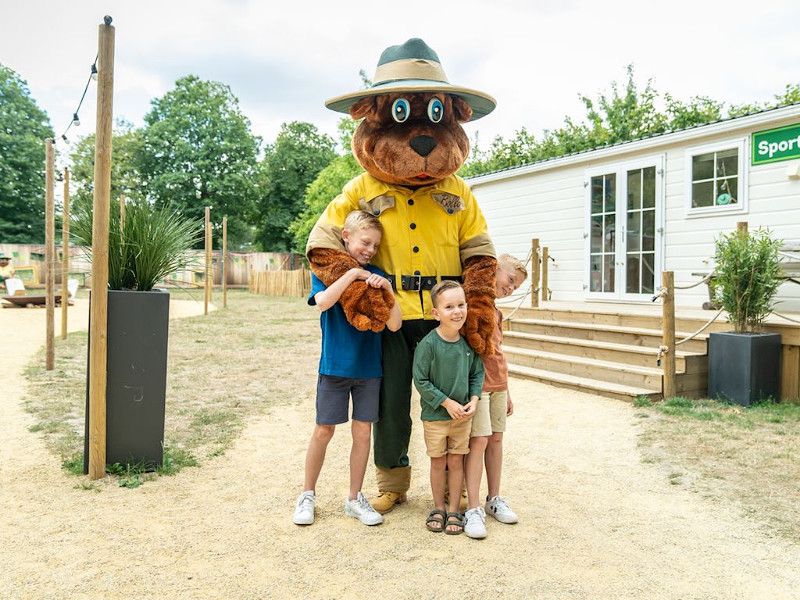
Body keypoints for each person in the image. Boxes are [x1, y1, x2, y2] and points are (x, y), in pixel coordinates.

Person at [293, 211, 402, 527]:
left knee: (363, 432)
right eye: (365, 242)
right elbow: (324, 302)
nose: (370, 249)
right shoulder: (326, 272)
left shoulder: (378, 275)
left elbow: (394, 325)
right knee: (324, 430)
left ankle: (354, 498)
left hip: (369, 369)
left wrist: (389, 290)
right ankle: (307, 495)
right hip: (335, 367)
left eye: (375, 245)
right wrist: (353, 275)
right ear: (346, 236)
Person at [463, 253, 528, 537]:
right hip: (478, 386)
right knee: (478, 441)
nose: (510, 288)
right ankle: (473, 507)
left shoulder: (498, 313)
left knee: (497, 440)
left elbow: (499, 353)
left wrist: (508, 389)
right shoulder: (472, 306)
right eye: (510, 280)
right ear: (495, 270)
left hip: (499, 384)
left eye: (516, 287)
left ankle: (494, 499)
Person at [413, 280, 484, 535]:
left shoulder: (468, 344)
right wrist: (446, 402)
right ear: (436, 313)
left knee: (456, 462)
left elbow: (477, 374)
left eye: (461, 305)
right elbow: (420, 380)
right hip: (435, 416)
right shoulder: (429, 344)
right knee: (437, 462)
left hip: (462, 416)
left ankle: (455, 509)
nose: (457, 312)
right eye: (449, 306)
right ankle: (438, 507)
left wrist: (474, 399)